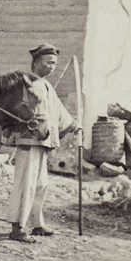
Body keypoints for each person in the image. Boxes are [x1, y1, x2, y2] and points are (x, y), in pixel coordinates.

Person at [4, 43, 78, 243]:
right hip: (29, 138)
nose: (52, 66)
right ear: (36, 62)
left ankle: (37, 224)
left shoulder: (46, 85)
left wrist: (72, 125)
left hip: (43, 141)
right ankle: (17, 227)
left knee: (41, 184)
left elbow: (59, 111)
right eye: (49, 62)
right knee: (25, 183)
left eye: (54, 63)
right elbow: (15, 109)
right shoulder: (25, 83)